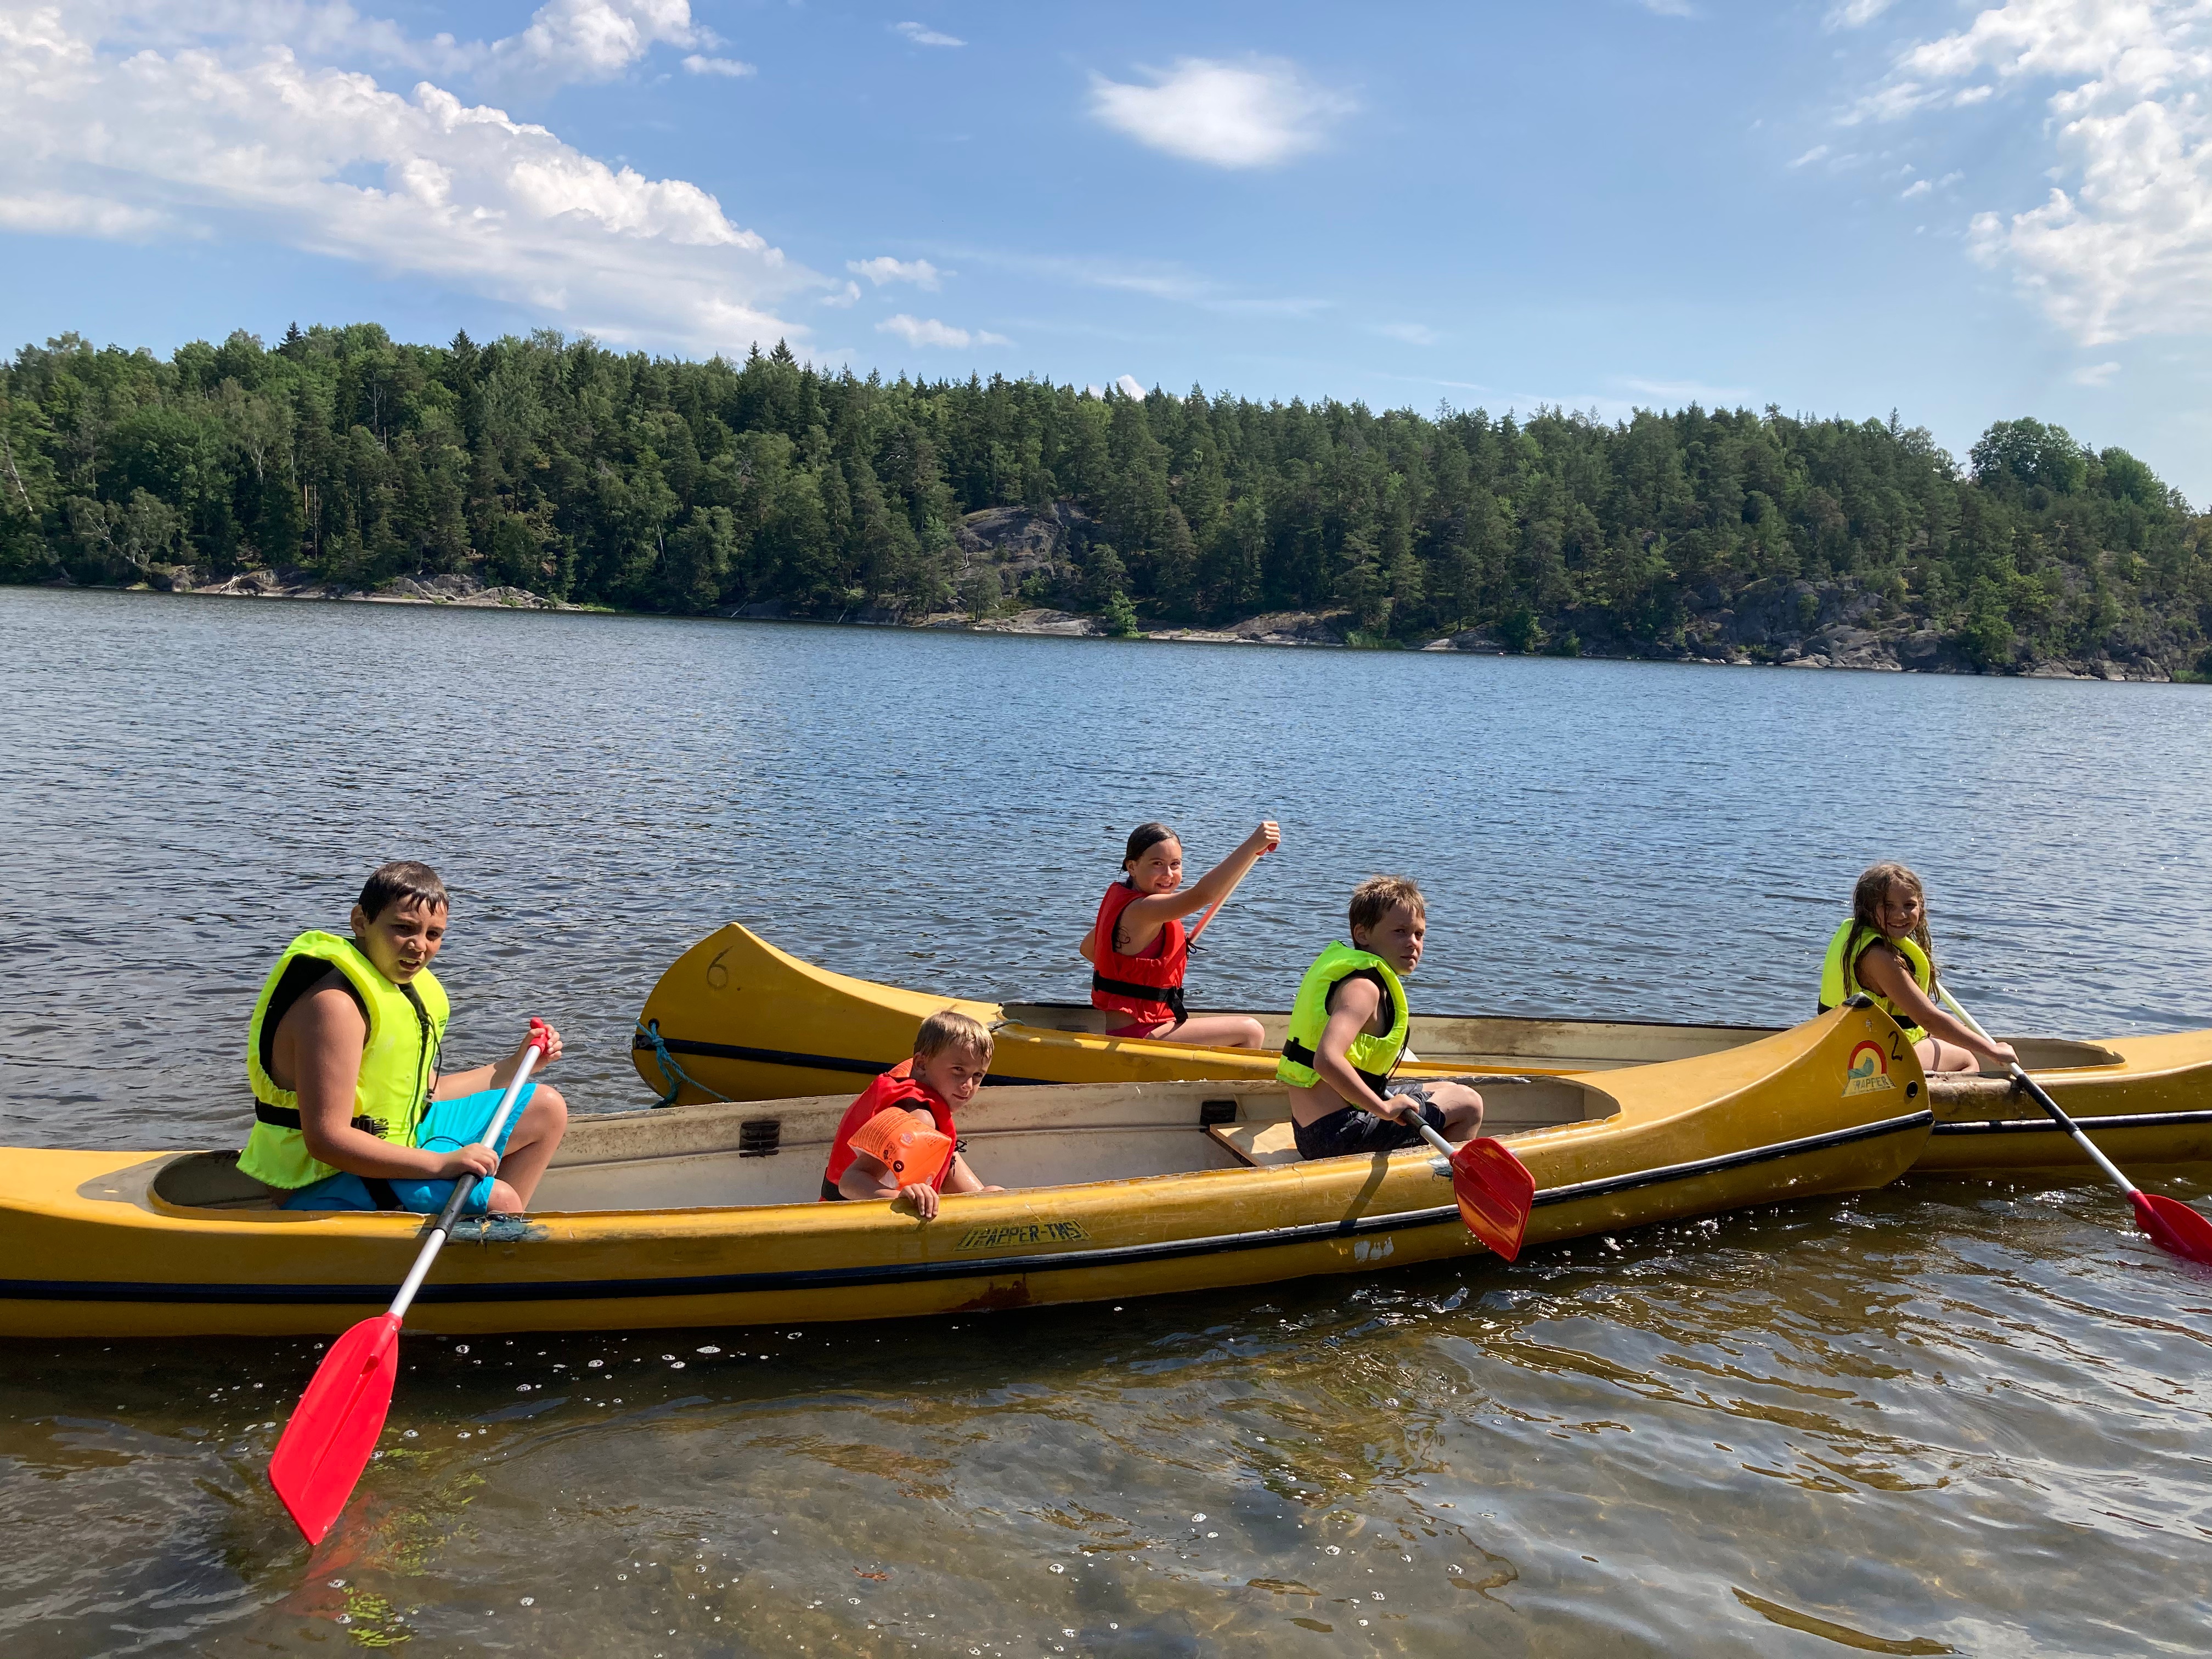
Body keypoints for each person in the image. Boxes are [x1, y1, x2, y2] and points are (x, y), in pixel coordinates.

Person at [238, 860, 569, 1214]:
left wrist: (516, 1066)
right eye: (403, 929)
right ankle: (491, 1224)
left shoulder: (399, 988)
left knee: (545, 1108)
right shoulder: (335, 1007)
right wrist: (441, 1165)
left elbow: (428, 1093)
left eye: (433, 934)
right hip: (318, 1177)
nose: (419, 947)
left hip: (396, 1143)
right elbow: (327, 1141)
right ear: (360, 922)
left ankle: (480, 1235)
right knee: (499, 1198)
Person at [1277, 874, 1486, 1161]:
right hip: (1335, 1134)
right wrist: (1383, 1109)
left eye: (1419, 934)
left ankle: (1420, 1163)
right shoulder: (1363, 988)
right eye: (1400, 932)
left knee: (1449, 1089)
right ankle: (1440, 1182)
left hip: (1316, 1128)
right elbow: (1326, 1059)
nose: (1413, 943)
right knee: (1469, 1103)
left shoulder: (1359, 977)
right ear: (1363, 935)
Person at [1078, 820, 1280, 1046]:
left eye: (1175, 864)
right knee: (1251, 1031)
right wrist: (1251, 845)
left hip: (1142, 1027)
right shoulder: (1143, 909)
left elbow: (1088, 949)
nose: (1168, 874)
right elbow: (1201, 895)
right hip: (1138, 1034)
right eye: (1157, 864)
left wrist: (1132, 969)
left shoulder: (1126, 904)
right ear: (1132, 867)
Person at [1819, 862, 2018, 1075]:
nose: (1901, 915)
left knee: (1945, 1039)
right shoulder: (1879, 957)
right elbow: (1928, 1019)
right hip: (1863, 1054)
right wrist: (1992, 1050)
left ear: (1921, 907)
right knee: (1966, 1059)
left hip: (1846, 1043)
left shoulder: (1859, 937)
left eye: (1909, 905)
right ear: (1867, 909)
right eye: (1888, 906)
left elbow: (1920, 1020)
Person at [823, 1009, 1003, 1219]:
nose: (968, 1085)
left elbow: (944, 1159)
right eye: (958, 1070)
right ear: (921, 1064)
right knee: (991, 1200)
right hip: (847, 1220)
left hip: (844, 1209)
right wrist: (898, 1198)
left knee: (991, 1197)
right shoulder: (918, 1117)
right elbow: (850, 1182)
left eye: (978, 1075)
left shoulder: (922, 1080)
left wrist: (982, 1198)